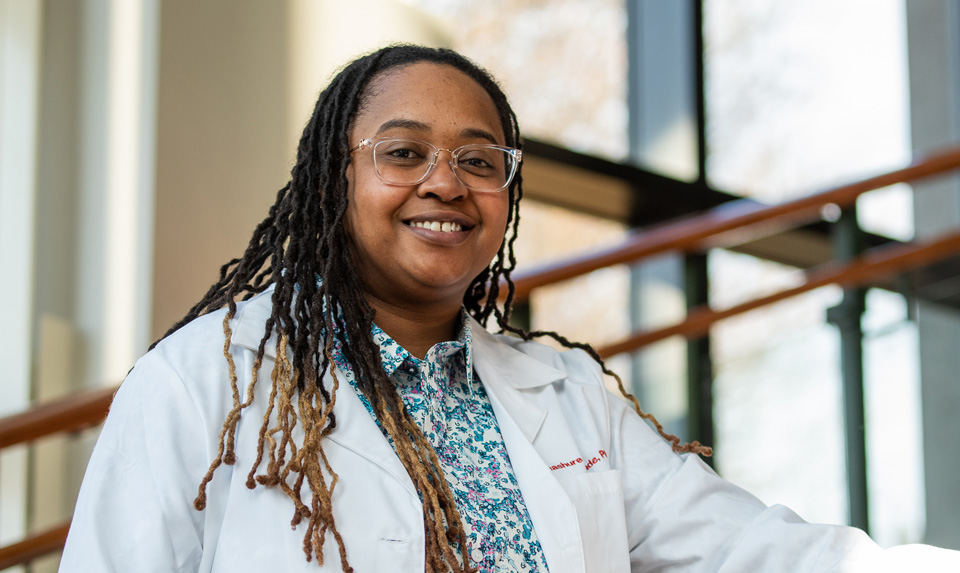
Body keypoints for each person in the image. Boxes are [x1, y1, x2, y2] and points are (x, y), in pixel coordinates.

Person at [60, 45, 957, 573]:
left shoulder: (566, 392)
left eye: (480, 160)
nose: (445, 182)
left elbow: (757, 550)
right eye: (403, 151)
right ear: (334, 177)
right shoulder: (201, 380)